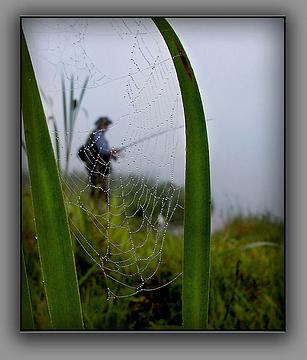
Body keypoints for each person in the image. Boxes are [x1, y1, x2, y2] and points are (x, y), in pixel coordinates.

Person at [83, 116, 119, 203]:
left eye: (107, 124)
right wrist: (111, 151)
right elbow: (102, 150)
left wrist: (111, 154)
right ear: (100, 124)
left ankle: (96, 207)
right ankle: (95, 208)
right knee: (99, 188)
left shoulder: (98, 134)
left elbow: (102, 150)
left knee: (98, 188)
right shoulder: (97, 134)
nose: (107, 126)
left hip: (98, 165)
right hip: (96, 166)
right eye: (105, 124)